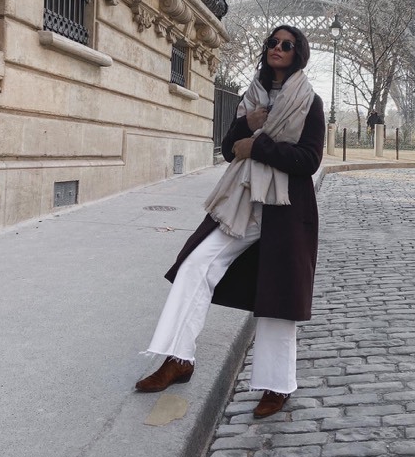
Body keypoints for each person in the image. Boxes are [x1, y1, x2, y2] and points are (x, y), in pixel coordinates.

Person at [135, 26, 325, 419]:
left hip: (284, 208)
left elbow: (309, 161)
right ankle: (178, 359)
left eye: (286, 45)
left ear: (298, 53)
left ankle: (277, 386)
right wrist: (246, 124)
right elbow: (228, 150)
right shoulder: (251, 97)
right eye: (272, 43)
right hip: (240, 203)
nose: (277, 48)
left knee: (277, 299)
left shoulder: (311, 102)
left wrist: (260, 145)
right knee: (195, 266)